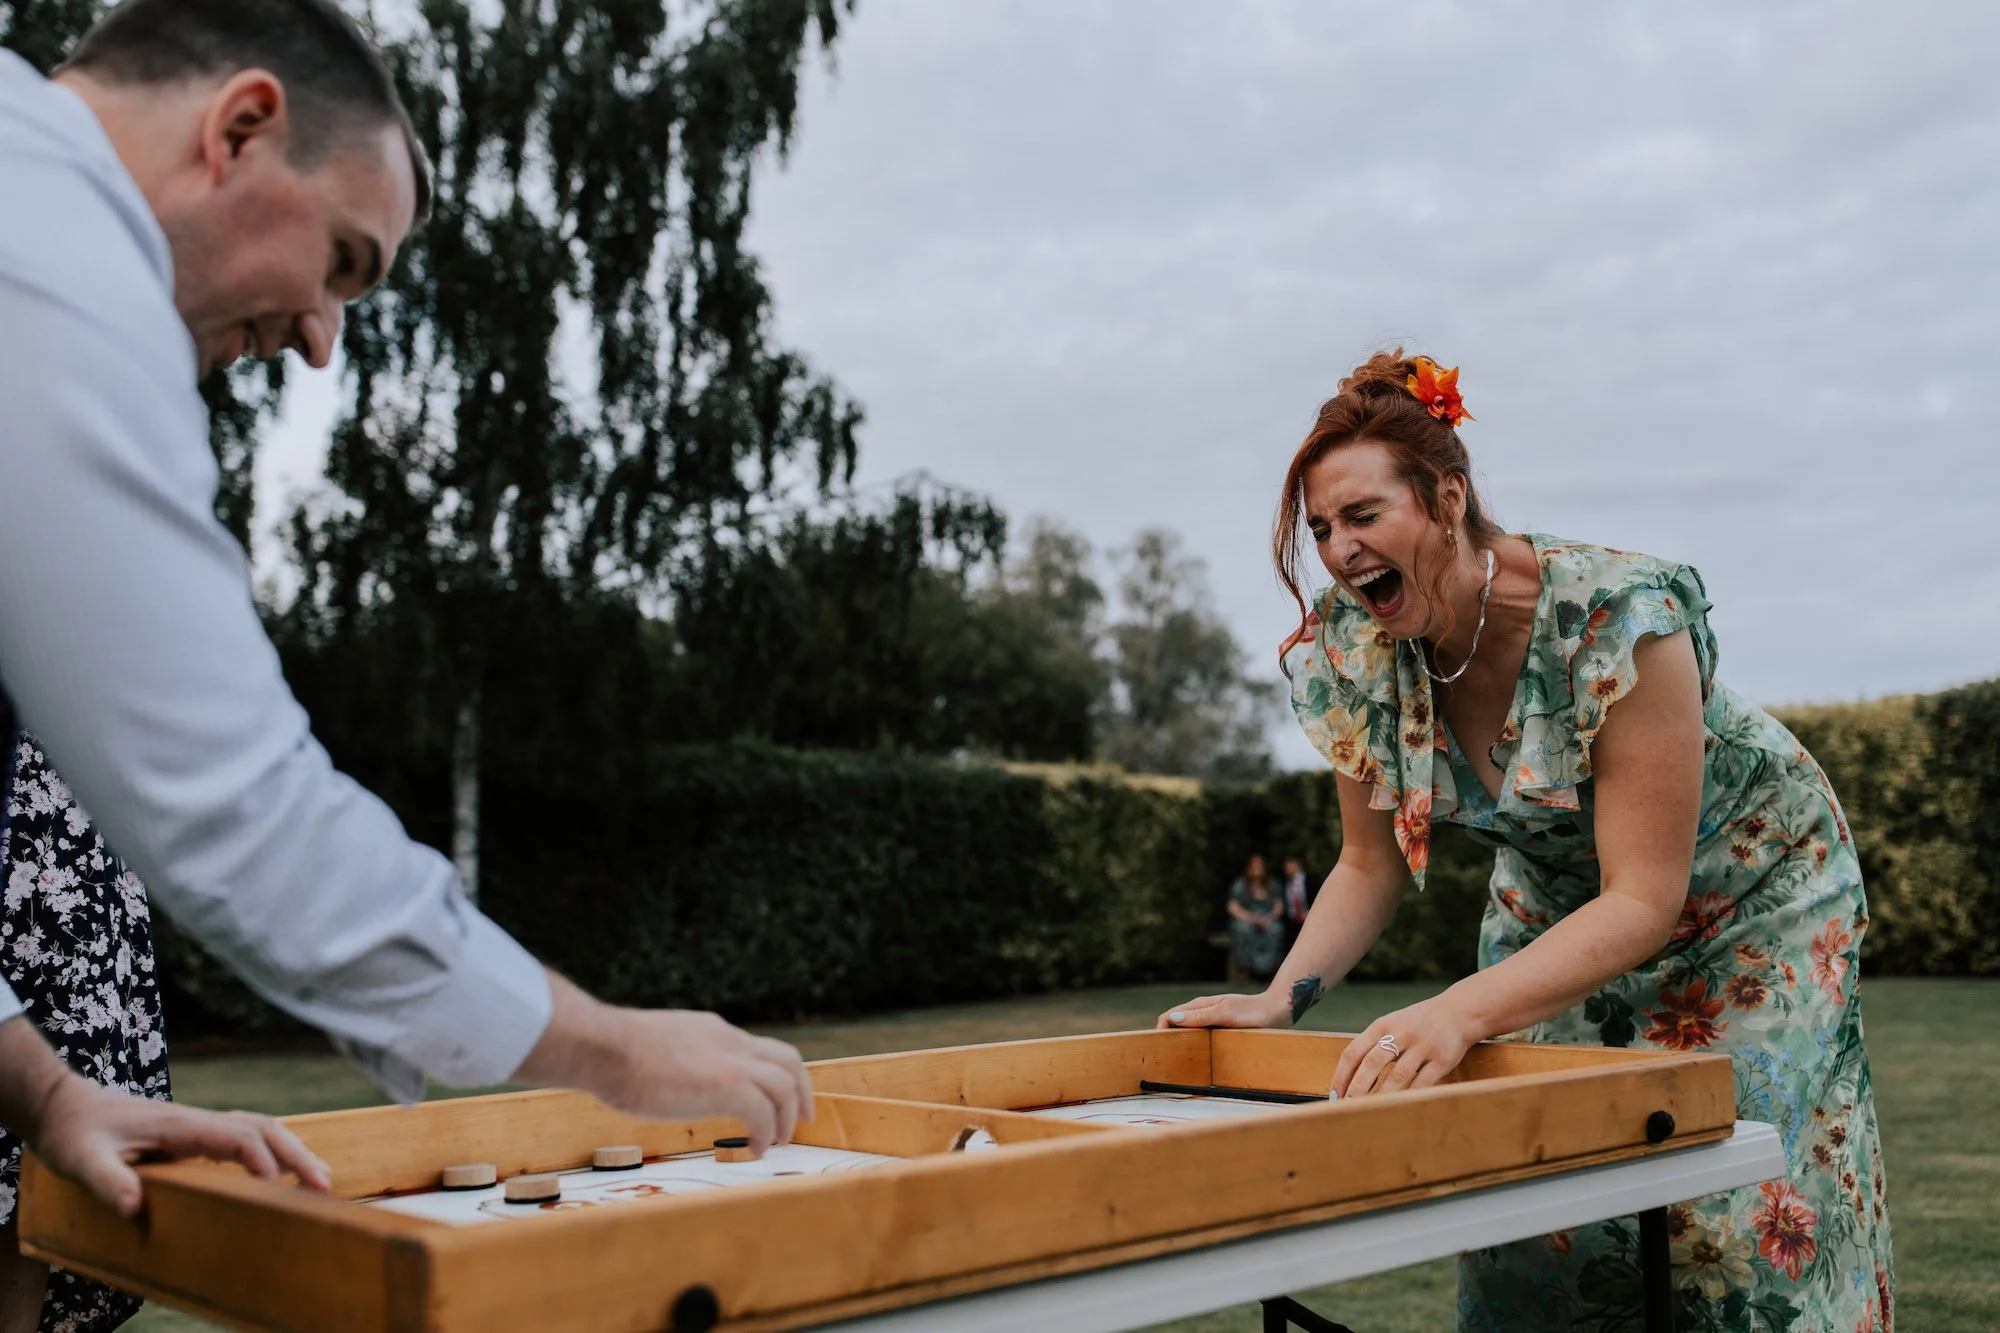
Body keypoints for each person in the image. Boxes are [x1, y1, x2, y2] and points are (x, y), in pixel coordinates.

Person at [0, 2, 811, 1320]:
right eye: (341, 261)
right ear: (240, 129)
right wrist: (610, 1049)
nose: (321, 337)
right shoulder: (52, 253)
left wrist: (43, 1091)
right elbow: (235, 807)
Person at [1160, 352, 1893, 1330]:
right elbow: (1367, 863)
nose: (1337, 549)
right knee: (1525, 1200)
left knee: (1724, 1220)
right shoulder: (1355, 650)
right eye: (1321, 527)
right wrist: (1277, 999)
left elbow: (1641, 897)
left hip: (1750, 895)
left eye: (1363, 514)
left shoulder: (1620, 617)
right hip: (1552, 898)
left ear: (1447, 498)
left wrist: (1455, 1011)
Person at [1225, 854, 1286, 983]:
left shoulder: (1273, 885)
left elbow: (1278, 907)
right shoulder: (1240, 885)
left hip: (1267, 919)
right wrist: (1251, 918)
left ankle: (1270, 970)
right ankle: (1246, 969)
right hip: (1247, 919)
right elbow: (1233, 907)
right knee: (1243, 929)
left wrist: (1268, 918)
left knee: (1276, 930)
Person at [1278, 855, 1311, 944]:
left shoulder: (1311, 880)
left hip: (1310, 918)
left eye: (1290, 864)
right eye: (1286, 866)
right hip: (1292, 923)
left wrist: (1311, 913)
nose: (1288, 868)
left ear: (1298, 864)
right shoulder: (1283, 884)